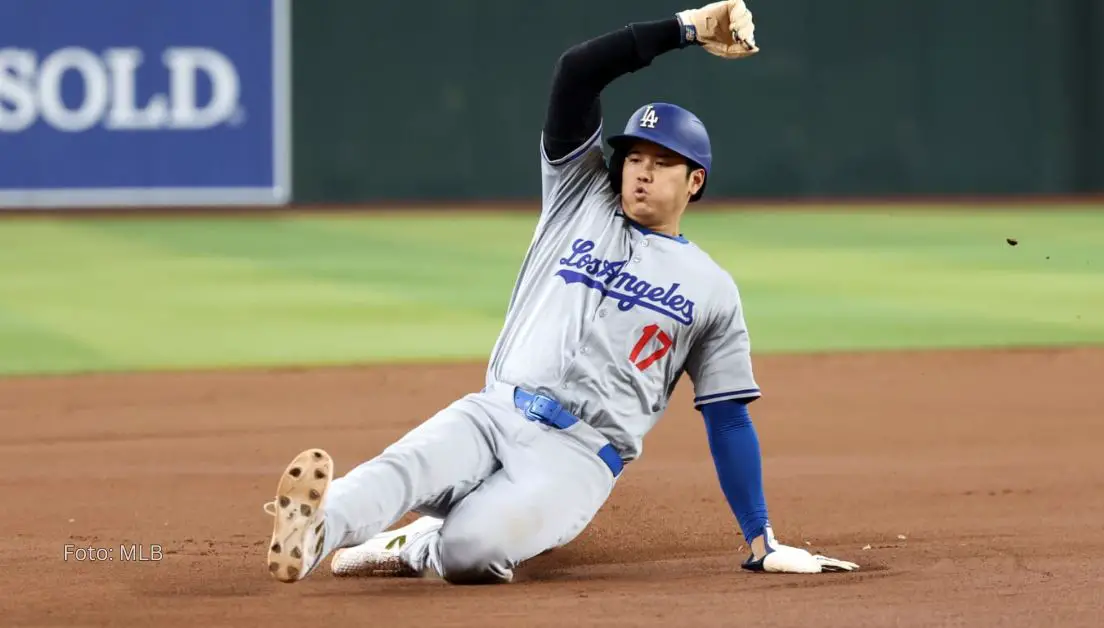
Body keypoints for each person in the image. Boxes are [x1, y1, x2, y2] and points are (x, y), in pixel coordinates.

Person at [263, 0, 859, 585]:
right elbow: (577, 71)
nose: (641, 170)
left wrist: (761, 540)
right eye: (632, 157)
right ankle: (313, 532)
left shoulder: (713, 291)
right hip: (495, 410)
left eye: (662, 161)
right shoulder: (579, 196)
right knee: (401, 470)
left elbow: (728, 420)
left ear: (694, 181)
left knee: (473, 549)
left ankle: (417, 545)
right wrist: (685, 28)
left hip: (576, 459)